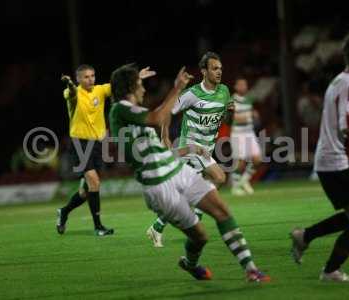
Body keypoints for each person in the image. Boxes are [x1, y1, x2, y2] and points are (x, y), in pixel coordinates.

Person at [109, 63, 269, 282]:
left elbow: (161, 151)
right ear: (129, 87)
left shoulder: (134, 115)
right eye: (139, 85)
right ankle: (189, 263)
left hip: (179, 171)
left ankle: (251, 270)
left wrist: (189, 148)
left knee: (223, 211)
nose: (143, 89)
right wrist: (177, 88)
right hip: (159, 187)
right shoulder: (119, 110)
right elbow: (157, 117)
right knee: (201, 237)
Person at [290, 33, 349, 282]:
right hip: (336, 162)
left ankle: (306, 237)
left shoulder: (338, 81)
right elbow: (348, 126)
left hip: (337, 161)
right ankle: (330, 270)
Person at [146, 51, 234, 247]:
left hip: (207, 149)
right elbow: (167, 111)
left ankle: (158, 226)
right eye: (214, 68)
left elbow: (226, 119)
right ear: (204, 71)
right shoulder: (192, 94)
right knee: (219, 178)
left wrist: (230, 113)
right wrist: (164, 135)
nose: (219, 72)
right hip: (190, 146)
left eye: (220, 68)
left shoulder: (224, 92)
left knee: (188, 193)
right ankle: (193, 219)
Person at [56, 64, 155, 236]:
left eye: (92, 75)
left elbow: (120, 85)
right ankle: (98, 227)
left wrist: (137, 76)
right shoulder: (73, 92)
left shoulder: (100, 90)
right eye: (86, 77)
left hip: (97, 144)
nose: (90, 79)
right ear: (79, 79)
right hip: (80, 143)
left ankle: (64, 212)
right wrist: (70, 84)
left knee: (85, 191)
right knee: (94, 182)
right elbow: (71, 93)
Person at [229, 77, 262, 196]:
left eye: (245, 85)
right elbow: (234, 118)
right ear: (236, 87)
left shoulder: (249, 99)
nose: (243, 87)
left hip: (250, 133)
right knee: (241, 162)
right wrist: (249, 115)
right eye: (241, 85)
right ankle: (235, 187)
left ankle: (244, 181)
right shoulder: (232, 100)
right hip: (238, 134)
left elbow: (250, 111)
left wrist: (253, 113)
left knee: (258, 159)